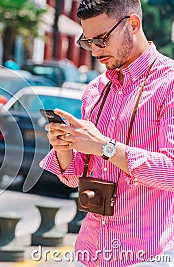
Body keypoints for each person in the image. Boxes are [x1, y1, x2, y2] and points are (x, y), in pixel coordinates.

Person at [39, 0, 174, 266]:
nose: (95, 51)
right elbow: (74, 178)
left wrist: (105, 147)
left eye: (101, 39)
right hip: (90, 250)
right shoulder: (95, 90)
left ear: (133, 24)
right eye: (88, 42)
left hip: (146, 255)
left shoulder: (169, 84)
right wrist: (64, 147)